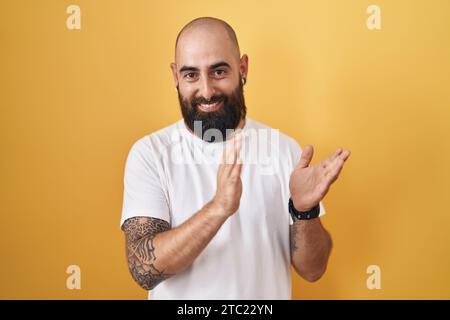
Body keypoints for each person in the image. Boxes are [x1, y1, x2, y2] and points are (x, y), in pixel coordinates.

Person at [120, 17, 351, 299]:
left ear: (242, 69)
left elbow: (313, 270)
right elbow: (144, 270)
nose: (206, 91)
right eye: (191, 74)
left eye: (218, 71)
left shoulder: (284, 150)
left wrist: (304, 212)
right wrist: (218, 208)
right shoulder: (150, 154)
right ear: (175, 76)